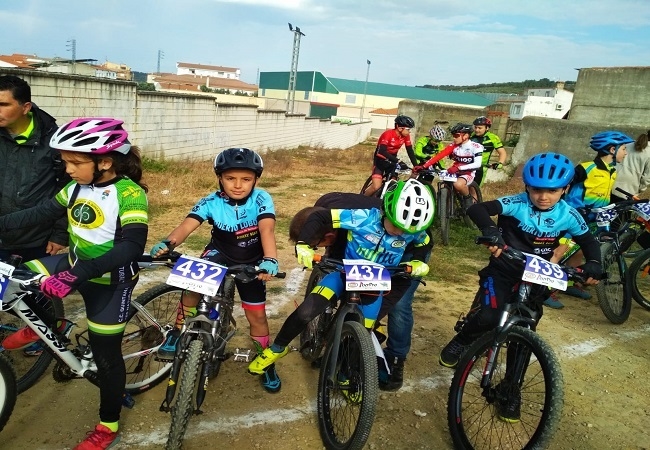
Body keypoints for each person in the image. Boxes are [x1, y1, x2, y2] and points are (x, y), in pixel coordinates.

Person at [0, 118, 149, 449]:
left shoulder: (129, 193)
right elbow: (38, 213)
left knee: (106, 358)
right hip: (72, 265)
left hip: (110, 282)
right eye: (65, 161)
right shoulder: (76, 187)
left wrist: (77, 275)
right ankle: (47, 324)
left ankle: (108, 426)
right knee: (15, 280)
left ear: (104, 162)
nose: (67, 169)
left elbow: (130, 248)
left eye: (74, 162)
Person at [438, 152, 601, 422]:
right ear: (527, 187)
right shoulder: (516, 203)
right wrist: (491, 231)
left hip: (538, 278)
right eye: (536, 189)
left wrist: (594, 262)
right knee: (490, 315)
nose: (543, 196)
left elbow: (589, 242)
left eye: (552, 191)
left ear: (566, 189)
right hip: (504, 270)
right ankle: (463, 339)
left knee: (524, 334)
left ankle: (511, 390)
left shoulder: (569, 215)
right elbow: (477, 209)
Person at [248, 179, 434, 382]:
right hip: (343, 274)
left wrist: (417, 260)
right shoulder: (361, 217)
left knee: (361, 335)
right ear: (386, 211)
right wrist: (303, 245)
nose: (400, 232)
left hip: (377, 285)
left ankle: (347, 369)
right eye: (396, 225)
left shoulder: (412, 229)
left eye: (407, 231)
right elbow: (320, 216)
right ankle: (276, 349)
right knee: (305, 312)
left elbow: (424, 241)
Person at [150, 147, 283, 394]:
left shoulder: (262, 198)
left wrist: (270, 259)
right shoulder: (211, 201)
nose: (238, 185)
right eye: (230, 178)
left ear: (256, 180)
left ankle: (266, 361)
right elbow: (187, 225)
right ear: (219, 178)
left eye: (246, 179)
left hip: (253, 259)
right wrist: (169, 243)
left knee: (257, 317)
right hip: (219, 252)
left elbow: (267, 230)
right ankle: (178, 332)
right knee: (191, 286)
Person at [288, 191, 432, 391]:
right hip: (376, 234)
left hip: (409, 245)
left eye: (317, 246)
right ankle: (341, 348)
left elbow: (423, 239)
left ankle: (395, 358)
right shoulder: (325, 210)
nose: (318, 249)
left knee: (398, 305)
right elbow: (336, 252)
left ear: (329, 235)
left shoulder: (360, 221)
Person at [559, 131, 634, 302]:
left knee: (579, 250)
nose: (626, 153)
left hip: (595, 218)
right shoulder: (586, 168)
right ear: (612, 150)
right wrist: (564, 206)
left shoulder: (612, 171)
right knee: (562, 249)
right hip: (576, 217)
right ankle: (548, 288)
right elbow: (562, 185)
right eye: (624, 149)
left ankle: (570, 284)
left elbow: (604, 194)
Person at [0, 75, 68, 262]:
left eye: (3, 105)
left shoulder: (54, 141)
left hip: (35, 242)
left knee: (26, 291)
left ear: (26, 107)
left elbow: (69, 189)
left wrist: (60, 234)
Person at [414, 123, 484, 210]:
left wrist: (459, 168)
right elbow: (439, 156)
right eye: (453, 136)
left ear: (466, 136)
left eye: (456, 136)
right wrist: (424, 166)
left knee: (458, 184)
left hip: (468, 172)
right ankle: (447, 210)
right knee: (445, 185)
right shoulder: (453, 145)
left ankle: (468, 199)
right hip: (454, 171)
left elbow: (477, 164)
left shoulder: (476, 147)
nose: (454, 138)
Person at [363, 115, 414, 196]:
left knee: (393, 185)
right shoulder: (388, 134)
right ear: (399, 127)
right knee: (376, 186)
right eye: (408, 129)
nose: (409, 131)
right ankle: (361, 199)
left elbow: (410, 150)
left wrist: (416, 166)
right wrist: (399, 161)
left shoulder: (406, 136)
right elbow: (382, 151)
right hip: (380, 159)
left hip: (392, 158)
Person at [611, 130, 650, 202]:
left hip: (610, 184)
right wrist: (640, 190)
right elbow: (646, 179)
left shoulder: (628, 144)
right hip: (627, 191)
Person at [471, 116, 507, 186]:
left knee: (474, 189)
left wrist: (500, 163)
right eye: (475, 127)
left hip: (480, 168)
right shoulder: (471, 136)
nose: (477, 130)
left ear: (487, 128)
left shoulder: (493, 138)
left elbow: (502, 152)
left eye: (480, 128)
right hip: (467, 165)